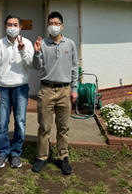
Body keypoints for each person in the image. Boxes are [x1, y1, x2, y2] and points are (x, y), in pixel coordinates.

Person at [32, 11, 79, 175]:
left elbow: (74, 68)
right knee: (44, 126)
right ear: (47, 26)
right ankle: (42, 157)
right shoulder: (42, 43)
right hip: (46, 89)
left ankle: (62, 157)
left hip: (65, 90)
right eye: (51, 23)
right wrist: (36, 52)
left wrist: (74, 89)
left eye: (57, 23)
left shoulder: (70, 44)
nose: (54, 26)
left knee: (63, 127)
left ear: (62, 26)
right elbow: (37, 67)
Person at [0, 15, 34, 169]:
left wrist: (22, 51)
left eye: (15, 24)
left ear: (20, 27)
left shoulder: (27, 43)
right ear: (5, 27)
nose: (12, 27)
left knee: (20, 122)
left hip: (21, 87)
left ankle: (15, 153)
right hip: (2, 88)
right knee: (2, 123)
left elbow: (30, 65)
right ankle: (3, 153)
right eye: (9, 24)